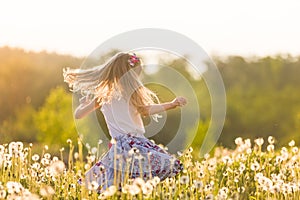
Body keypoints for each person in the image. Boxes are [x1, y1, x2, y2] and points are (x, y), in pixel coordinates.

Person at [63, 52, 187, 193]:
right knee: (169, 165)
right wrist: (171, 104)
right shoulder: (129, 93)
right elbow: (146, 110)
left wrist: (82, 104)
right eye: (136, 75)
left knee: (115, 185)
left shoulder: (104, 95)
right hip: (134, 144)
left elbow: (79, 114)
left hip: (121, 147)